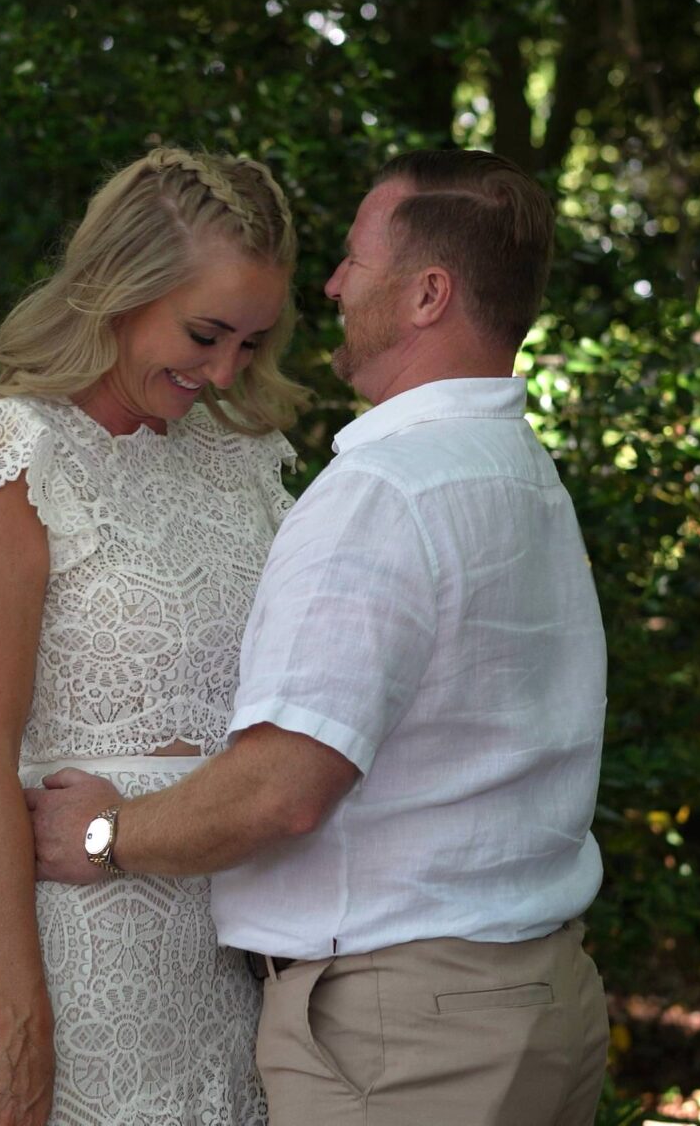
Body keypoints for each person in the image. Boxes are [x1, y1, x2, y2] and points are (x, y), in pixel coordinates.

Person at [30, 148, 611, 1126]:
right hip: (536, 998)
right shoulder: (516, 469)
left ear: (427, 294)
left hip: (411, 1038)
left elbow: (285, 789)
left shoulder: (385, 489)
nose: (334, 284)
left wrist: (107, 834)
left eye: (354, 258)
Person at [0, 147, 308, 1125]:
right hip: (87, 966)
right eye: (204, 333)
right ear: (119, 286)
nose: (224, 371)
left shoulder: (241, 460)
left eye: (251, 343)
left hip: (240, 956)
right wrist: (21, 1027)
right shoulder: (5, 457)